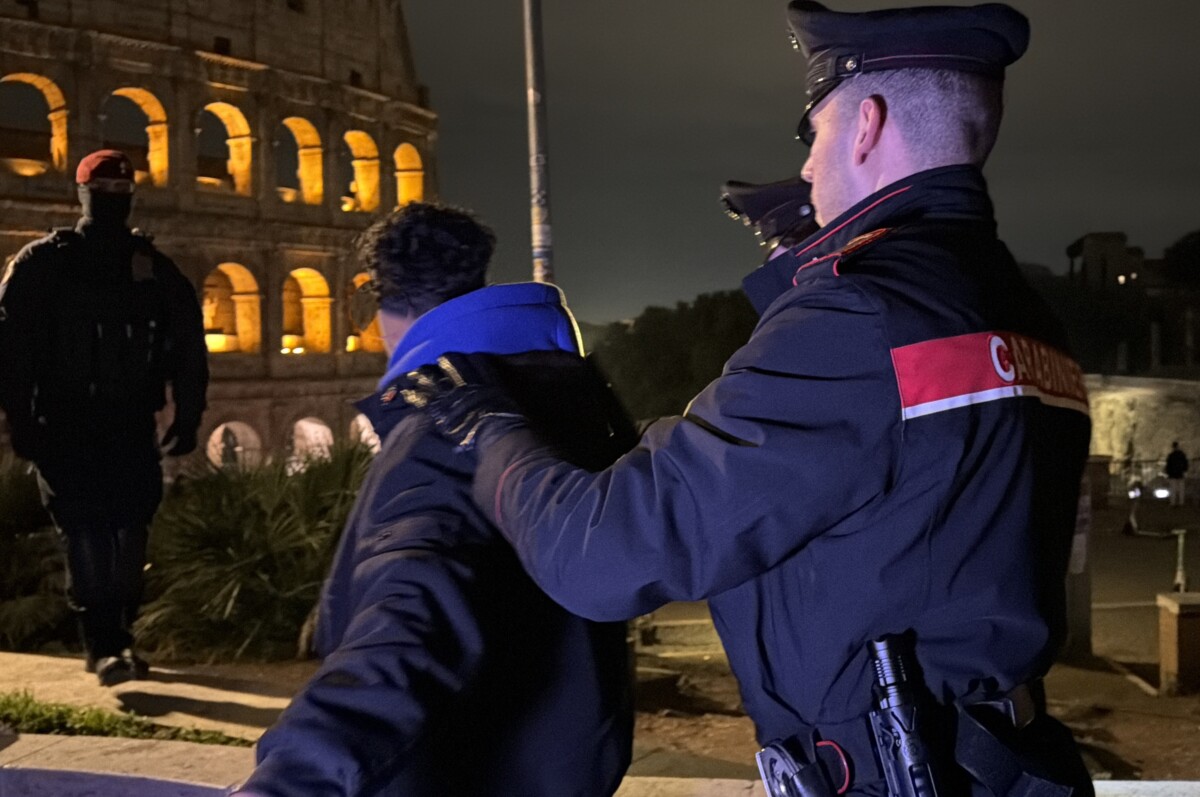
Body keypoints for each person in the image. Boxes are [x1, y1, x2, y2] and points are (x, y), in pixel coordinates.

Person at [400, 4, 1095, 796]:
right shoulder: (1022, 310)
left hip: (899, 775)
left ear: (865, 125)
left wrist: (489, 430)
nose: (805, 169)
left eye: (816, 133)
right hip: (1006, 765)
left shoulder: (859, 319)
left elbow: (606, 552)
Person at [232, 203, 635, 797]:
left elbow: (411, 622)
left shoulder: (444, 427)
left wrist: (295, 779)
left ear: (380, 303)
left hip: (471, 771)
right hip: (567, 759)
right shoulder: (567, 392)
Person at [0, 149, 208, 687]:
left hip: (126, 422)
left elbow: (187, 344)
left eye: (119, 195)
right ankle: (105, 644)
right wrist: (21, 419)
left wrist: (190, 411)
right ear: (84, 196)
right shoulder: (43, 262)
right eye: (105, 194)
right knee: (90, 532)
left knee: (125, 530)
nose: (113, 202)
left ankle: (116, 638)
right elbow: (13, 352)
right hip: (65, 424)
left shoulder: (147, 267)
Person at [1166, 441, 1188, 507]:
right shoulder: (1182, 454)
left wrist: (1168, 473)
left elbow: (1168, 466)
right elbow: (1185, 464)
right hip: (1180, 474)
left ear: (1173, 447)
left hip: (1172, 474)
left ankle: (1173, 502)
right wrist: (1184, 471)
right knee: (1181, 489)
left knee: (1173, 489)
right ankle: (1181, 502)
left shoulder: (1171, 455)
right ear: (1178, 446)